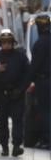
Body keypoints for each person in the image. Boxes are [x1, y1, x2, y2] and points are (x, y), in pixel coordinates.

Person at [0, 29, 32, 157]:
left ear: (13, 43)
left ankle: (16, 146)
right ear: (0, 43)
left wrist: (21, 89)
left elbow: (28, 75)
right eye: (4, 42)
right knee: (2, 121)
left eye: (9, 42)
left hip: (17, 94)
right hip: (1, 94)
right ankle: (4, 146)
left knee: (17, 120)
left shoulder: (21, 57)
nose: (7, 45)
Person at [30, 14, 50, 149]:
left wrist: (26, 82)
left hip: (44, 81)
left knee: (45, 111)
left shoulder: (40, 43)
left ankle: (47, 139)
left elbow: (35, 65)